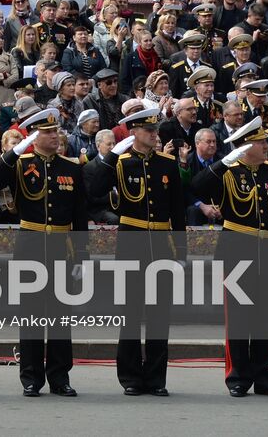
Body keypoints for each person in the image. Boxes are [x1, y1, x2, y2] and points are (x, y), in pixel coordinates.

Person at [190, 118, 268, 398]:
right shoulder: (227, 172)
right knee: (238, 317)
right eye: (261, 142)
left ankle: (264, 377)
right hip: (237, 252)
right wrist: (222, 163)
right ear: (246, 146)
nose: (266, 146)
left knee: (266, 318)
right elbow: (195, 188)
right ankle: (237, 376)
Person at [0, 108, 86, 397]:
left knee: (59, 317)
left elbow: (79, 216)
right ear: (34, 137)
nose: (55, 136)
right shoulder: (20, 163)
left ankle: (59, 376)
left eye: (56, 131)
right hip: (30, 245)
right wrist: (16, 149)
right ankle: (31, 377)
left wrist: (81, 256)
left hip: (61, 247)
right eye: (48, 132)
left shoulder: (71, 167)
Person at [86, 105, 186, 396]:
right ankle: (130, 377)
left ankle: (156, 379)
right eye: (148, 130)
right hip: (132, 243)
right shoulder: (121, 162)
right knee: (130, 313)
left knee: (159, 315)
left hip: (161, 244)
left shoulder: (166, 164)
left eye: (155, 130)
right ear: (134, 133)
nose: (154, 135)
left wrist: (180, 252)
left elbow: (178, 211)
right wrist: (113, 154)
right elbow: (95, 189)